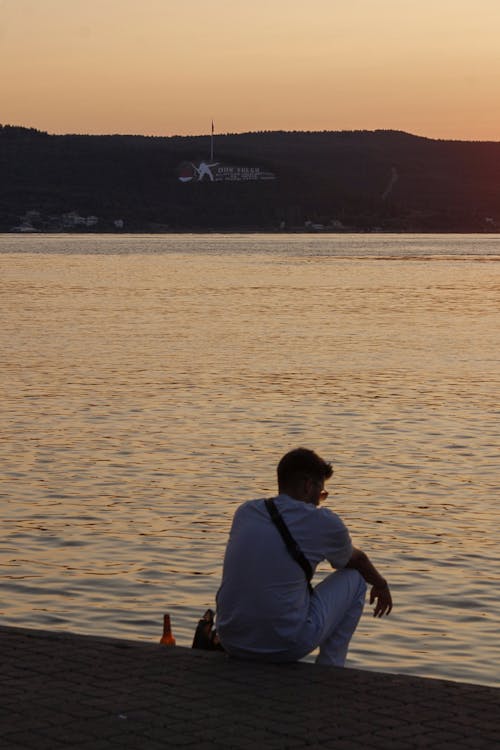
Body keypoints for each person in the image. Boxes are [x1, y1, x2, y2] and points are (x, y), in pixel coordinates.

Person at [216, 447, 392, 666]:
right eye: (322, 494)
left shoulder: (246, 511)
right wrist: (381, 584)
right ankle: (330, 668)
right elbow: (357, 561)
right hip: (284, 645)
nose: (320, 501)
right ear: (309, 486)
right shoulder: (322, 521)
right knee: (355, 580)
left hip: (231, 640)